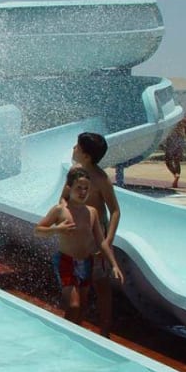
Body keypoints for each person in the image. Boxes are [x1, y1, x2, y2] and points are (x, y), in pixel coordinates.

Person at [37, 167, 123, 327]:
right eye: (79, 188)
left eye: (86, 189)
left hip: (86, 262)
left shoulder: (92, 212)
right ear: (69, 188)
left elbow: (101, 241)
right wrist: (56, 229)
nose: (83, 192)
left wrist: (114, 265)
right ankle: (65, 334)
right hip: (66, 261)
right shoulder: (60, 211)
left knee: (82, 307)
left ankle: (74, 338)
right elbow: (38, 230)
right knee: (73, 305)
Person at [61, 131, 121, 337]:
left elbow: (115, 210)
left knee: (101, 283)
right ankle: (77, 326)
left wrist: (108, 240)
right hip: (78, 236)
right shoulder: (75, 171)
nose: (73, 148)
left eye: (77, 146)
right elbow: (63, 198)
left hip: (97, 238)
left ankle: (105, 331)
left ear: (86, 156)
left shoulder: (100, 179)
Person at [160, 117, 186, 188]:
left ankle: (175, 174)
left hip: (172, 139)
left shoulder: (171, 118)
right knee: (177, 161)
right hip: (180, 140)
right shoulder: (184, 120)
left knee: (168, 161)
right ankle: (176, 180)